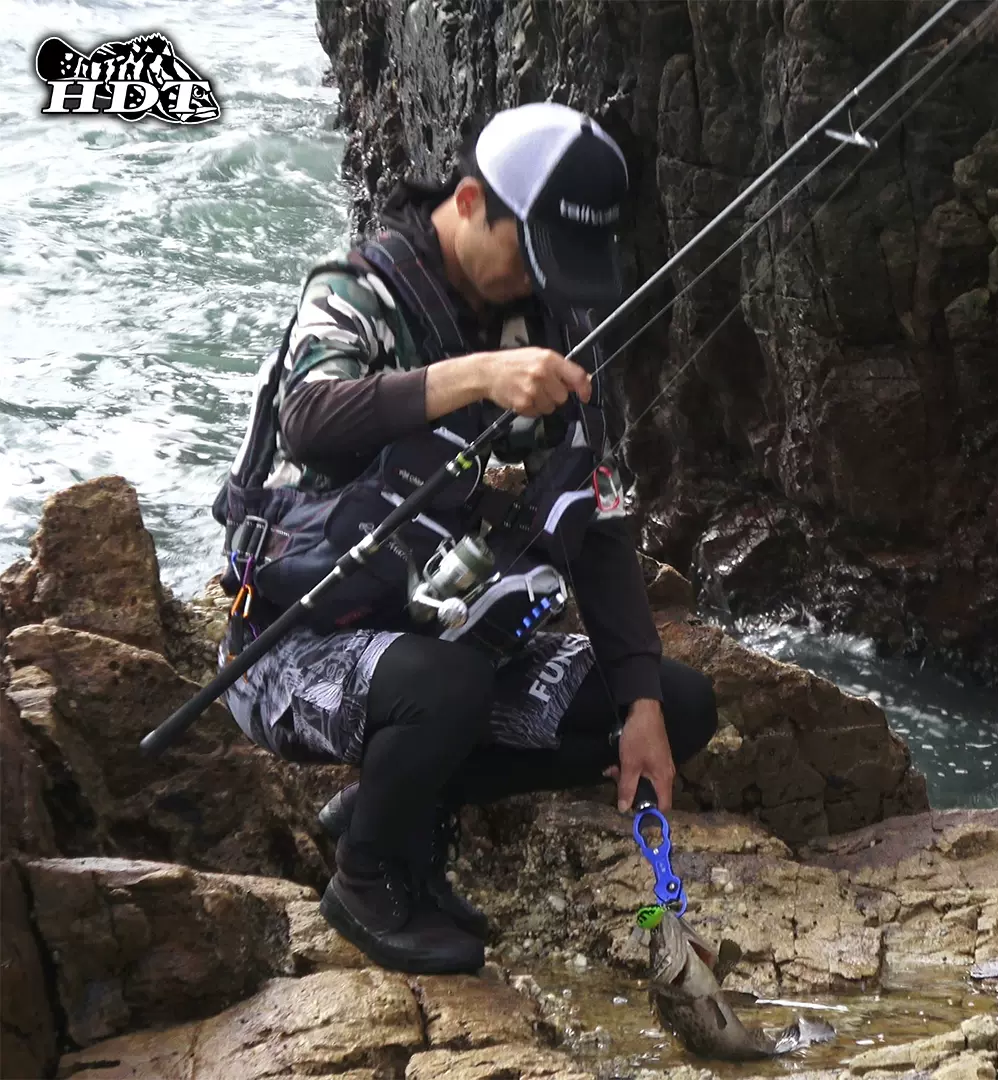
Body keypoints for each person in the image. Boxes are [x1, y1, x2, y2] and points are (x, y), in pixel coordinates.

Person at [212, 101, 717, 975]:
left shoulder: (540, 324)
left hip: (445, 631)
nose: (538, 282)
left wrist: (638, 705)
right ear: (474, 200)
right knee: (443, 685)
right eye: (533, 252)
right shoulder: (354, 291)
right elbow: (311, 419)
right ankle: (368, 874)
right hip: (292, 643)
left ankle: (401, 802)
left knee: (676, 703)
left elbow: (592, 522)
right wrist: (476, 376)